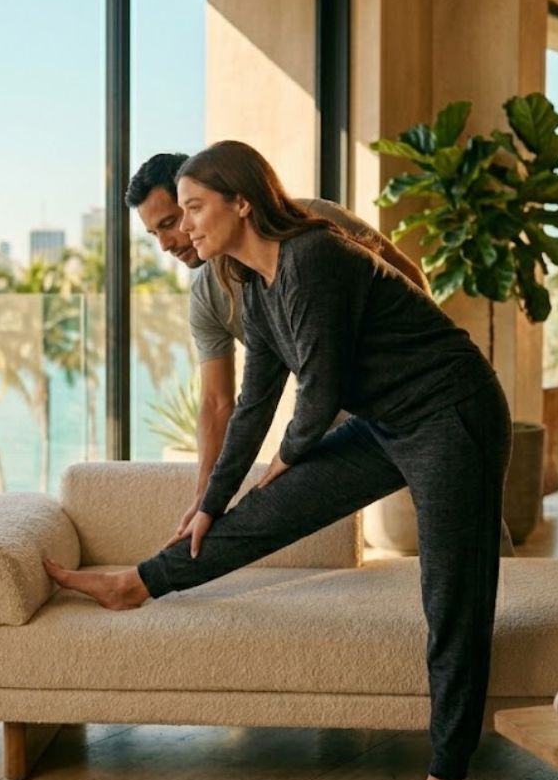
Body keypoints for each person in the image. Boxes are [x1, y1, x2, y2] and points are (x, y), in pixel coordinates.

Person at [47, 140, 512, 780]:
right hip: (387, 424)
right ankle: (135, 584)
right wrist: (210, 501)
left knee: (451, 597)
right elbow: (249, 406)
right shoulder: (254, 292)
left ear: (241, 201)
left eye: (194, 209)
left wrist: (286, 458)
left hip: (451, 413)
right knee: (258, 515)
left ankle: (447, 778)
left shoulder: (314, 255)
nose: (186, 227)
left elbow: (318, 393)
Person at [124, 153, 429, 533]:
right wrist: (205, 496)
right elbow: (221, 402)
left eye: (171, 222)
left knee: (457, 513)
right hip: (332, 405)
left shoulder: (314, 223)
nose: (167, 243)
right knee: (288, 504)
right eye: (155, 234)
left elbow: (410, 279)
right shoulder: (211, 297)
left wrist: (426, 371)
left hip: (410, 394)